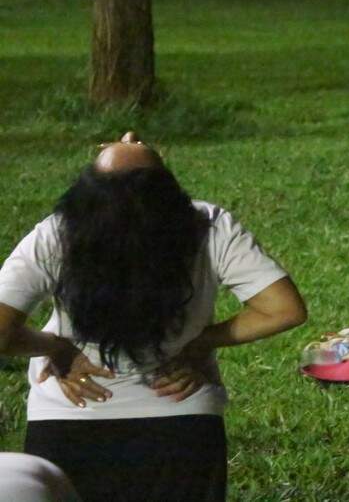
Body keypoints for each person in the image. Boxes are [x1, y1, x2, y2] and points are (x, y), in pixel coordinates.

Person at [0, 132, 308, 502]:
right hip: (182, 417)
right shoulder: (208, 226)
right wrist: (199, 341)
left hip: (69, 418)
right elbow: (283, 309)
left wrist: (56, 348)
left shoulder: (56, 233)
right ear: (168, 192)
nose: (129, 134)